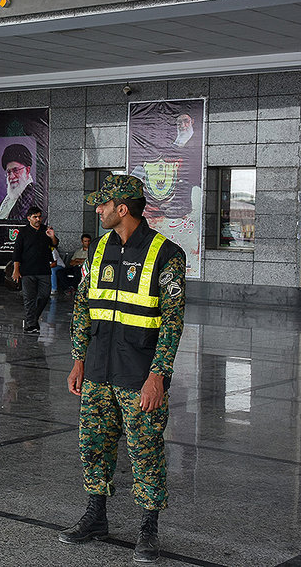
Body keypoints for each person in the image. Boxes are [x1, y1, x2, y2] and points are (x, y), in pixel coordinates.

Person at [59, 175, 186, 564]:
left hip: (139, 375)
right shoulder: (97, 250)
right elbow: (83, 306)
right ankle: (96, 516)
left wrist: (158, 376)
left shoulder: (167, 254)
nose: (98, 210)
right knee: (93, 447)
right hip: (98, 369)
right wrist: (79, 357)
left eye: (103, 204)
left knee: (145, 452)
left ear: (123, 208)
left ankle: (148, 527)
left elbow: (172, 321)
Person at [12, 206, 58, 334]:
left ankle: (33, 318)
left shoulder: (45, 230)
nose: (38, 219)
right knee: (29, 298)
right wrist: (16, 270)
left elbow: (54, 244)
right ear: (29, 218)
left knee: (44, 295)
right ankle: (31, 325)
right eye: (35, 217)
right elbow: (17, 252)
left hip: (44, 270)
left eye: (39, 217)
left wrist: (52, 236)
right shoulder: (23, 232)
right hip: (27, 271)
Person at [0, 143, 37, 220]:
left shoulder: (32, 194)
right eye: (8, 172)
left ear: (27, 170)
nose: (11, 176)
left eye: (16, 170)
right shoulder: (9, 197)